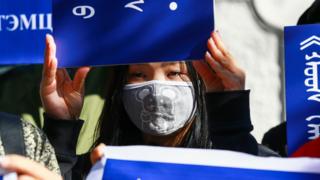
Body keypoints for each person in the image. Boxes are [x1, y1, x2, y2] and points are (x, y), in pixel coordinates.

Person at [41, 31, 259, 179]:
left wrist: (230, 111)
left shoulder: (219, 161)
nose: (156, 88)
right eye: (138, 74)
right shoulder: (94, 167)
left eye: (174, 73)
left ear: (199, 82)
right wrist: (61, 127)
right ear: (121, 86)